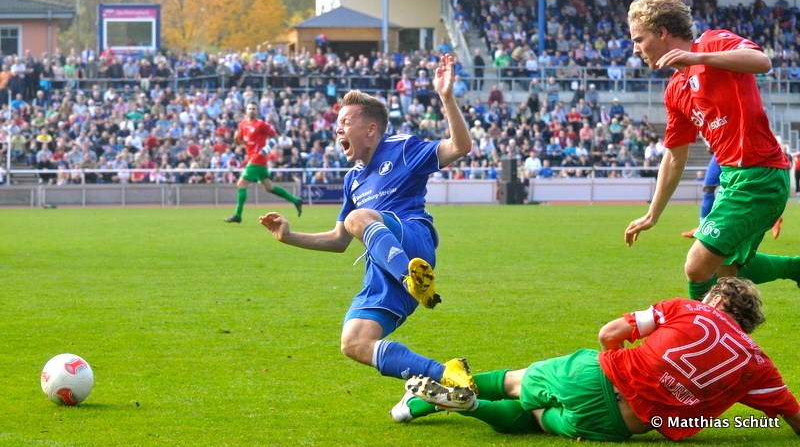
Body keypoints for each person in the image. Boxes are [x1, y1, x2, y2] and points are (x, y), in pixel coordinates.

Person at [258, 54, 476, 392]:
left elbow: (460, 146)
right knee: (354, 342)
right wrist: (288, 235)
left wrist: (446, 97)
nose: (337, 128)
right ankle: (447, 375)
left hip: (412, 238)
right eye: (337, 123)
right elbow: (338, 239)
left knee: (359, 217)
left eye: (345, 121)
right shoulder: (352, 180)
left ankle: (413, 278)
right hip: (384, 265)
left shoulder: (402, 148)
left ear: (370, 129)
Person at [392, 277, 800, 441]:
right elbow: (793, 415)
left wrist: (617, 371)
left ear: (718, 300)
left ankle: (420, 404)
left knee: (518, 382)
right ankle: (474, 408)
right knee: (534, 421)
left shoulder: (689, 308)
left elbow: (609, 334)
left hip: (597, 374)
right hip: (623, 424)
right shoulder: (758, 366)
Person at [623, 0, 799, 300]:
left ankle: (698, 338)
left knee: (696, 266)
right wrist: (653, 214)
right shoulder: (675, 90)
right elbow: (675, 157)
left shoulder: (712, 43)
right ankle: (794, 270)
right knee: (725, 271)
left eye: (639, 39)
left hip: (760, 175)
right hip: (733, 179)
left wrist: (696, 57)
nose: (635, 49)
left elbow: (762, 61)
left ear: (662, 33)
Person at [223, 100, 303, 223]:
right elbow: (239, 143)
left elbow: (276, 137)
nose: (251, 111)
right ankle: (296, 201)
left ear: (258, 111)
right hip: (254, 159)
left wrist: (267, 148)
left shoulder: (261, 124)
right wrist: (235, 138)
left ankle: (237, 215)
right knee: (269, 187)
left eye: (254, 109)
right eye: (249, 108)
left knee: (241, 184)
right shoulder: (243, 124)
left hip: (257, 158)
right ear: (246, 110)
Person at [682, 153, 782, 240]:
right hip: (719, 152)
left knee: (745, 189)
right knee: (708, 188)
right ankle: (703, 228)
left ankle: (773, 216)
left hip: (737, 151)